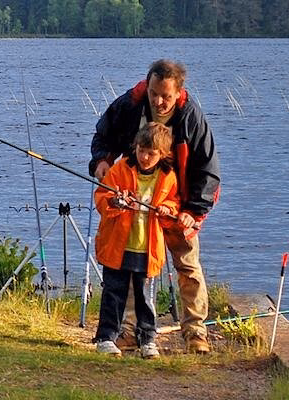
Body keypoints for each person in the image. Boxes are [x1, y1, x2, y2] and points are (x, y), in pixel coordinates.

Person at [90, 59, 220, 354]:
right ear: (146, 87)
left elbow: (208, 170)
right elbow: (102, 135)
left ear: (179, 93)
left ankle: (196, 332)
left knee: (188, 266)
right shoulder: (129, 104)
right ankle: (130, 332)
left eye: (166, 96)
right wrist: (101, 161)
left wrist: (193, 211)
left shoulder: (192, 118)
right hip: (137, 203)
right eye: (154, 94)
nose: (159, 102)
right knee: (135, 265)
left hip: (179, 204)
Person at [92, 122, 180, 359]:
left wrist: (166, 210)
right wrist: (116, 202)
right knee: (113, 292)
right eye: (141, 150)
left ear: (162, 154)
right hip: (117, 245)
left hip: (147, 248)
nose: (144, 157)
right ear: (135, 147)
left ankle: (147, 339)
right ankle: (105, 337)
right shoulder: (121, 169)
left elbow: (174, 203)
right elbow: (102, 197)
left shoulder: (168, 176)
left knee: (145, 297)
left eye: (151, 153)